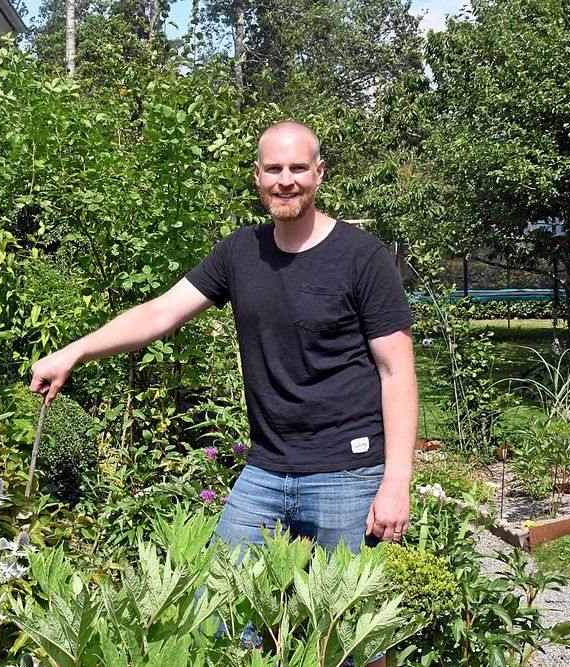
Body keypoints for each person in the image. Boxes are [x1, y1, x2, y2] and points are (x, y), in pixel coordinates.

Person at [31, 121, 417, 663]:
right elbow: (161, 312)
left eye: (298, 168)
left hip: (347, 475)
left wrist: (396, 480)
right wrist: (73, 351)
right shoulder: (240, 252)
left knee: (353, 636)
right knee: (221, 617)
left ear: (319, 173)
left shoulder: (362, 256)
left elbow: (397, 372)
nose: (286, 181)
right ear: (257, 176)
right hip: (265, 471)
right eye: (274, 169)